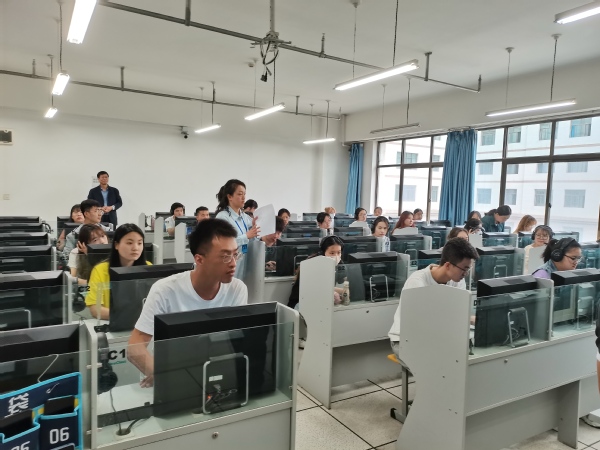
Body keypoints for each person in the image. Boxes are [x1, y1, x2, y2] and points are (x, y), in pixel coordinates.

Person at [127, 219, 248, 387]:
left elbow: (236, 342)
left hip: (217, 376)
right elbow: (135, 347)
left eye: (235, 254)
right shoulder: (165, 290)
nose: (234, 263)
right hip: (174, 378)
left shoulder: (237, 289)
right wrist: (161, 374)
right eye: (225, 256)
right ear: (199, 259)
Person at [388, 238, 479, 359]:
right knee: (439, 362)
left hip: (435, 338)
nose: (466, 274)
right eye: (464, 269)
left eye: (468, 269)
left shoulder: (458, 281)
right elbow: (420, 324)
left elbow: (457, 313)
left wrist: (473, 319)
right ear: (448, 265)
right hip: (404, 340)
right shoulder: (417, 282)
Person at [86, 224, 152, 320]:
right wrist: (127, 316)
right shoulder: (99, 270)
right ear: (116, 245)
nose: (135, 248)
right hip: (112, 323)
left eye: (139, 243)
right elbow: (95, 309)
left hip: (143, 323)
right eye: (129, 243)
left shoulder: (148, 267)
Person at [215, 179, 259, 278]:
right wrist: (246, 236)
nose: (244, 197)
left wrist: (255, 228)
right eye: (240, 194)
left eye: (244, 194)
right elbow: (222, 244)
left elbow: (254, 239)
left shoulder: (245, 217)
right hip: (229, 266)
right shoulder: (222, 217)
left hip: (246, 263)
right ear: (230, 196)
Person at [287, 235, 345, 311]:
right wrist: (340, 291)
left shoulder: (340, 265)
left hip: (321, 305)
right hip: (301, 305)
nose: (336, 256)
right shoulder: (312, 265)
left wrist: (344, 290)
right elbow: (317, 288)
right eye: (332, 253)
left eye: (339, 253)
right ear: (323, 252)